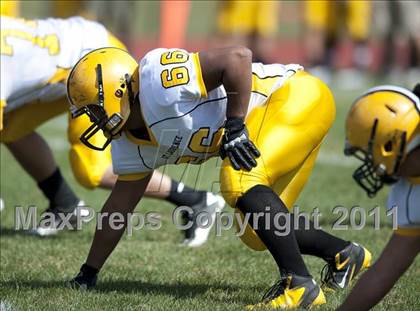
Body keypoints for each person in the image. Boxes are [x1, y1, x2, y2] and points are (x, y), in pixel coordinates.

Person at [66, 45, 371, 308]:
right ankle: (343, 254)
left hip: (294, 95)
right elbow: (118, 207)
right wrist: (88, 272)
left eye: (93, 110)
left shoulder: (156, 81)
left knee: (238, 182)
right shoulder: (129, 143)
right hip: (283, 116)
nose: (93, 120)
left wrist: (235, 124)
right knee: (254, 232)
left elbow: (238, 57)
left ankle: (299, 285)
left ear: (117, 90)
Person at [0, 16, 224, 246]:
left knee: (92, 169)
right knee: (10, 129)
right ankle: (65, 206)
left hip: (96, 64)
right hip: (68, 62)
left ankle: (196, 200)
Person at [338, 84, 420, 311]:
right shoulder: (408, 194)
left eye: (368, 152)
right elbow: (385, 271)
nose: (371, 164)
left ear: (390, 145)